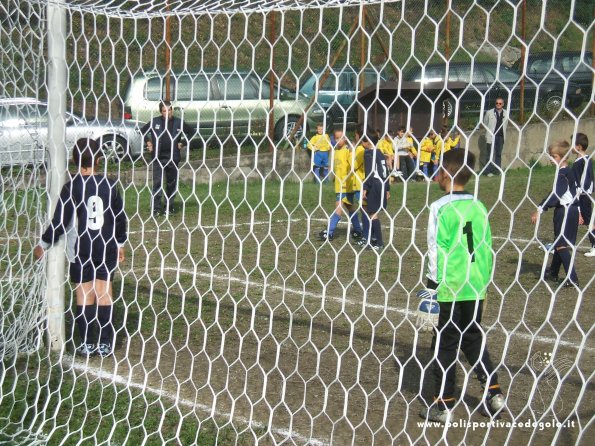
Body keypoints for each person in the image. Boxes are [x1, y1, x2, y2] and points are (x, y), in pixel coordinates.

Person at [419, 149, 505, 424]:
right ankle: (493, 392)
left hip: (450, 287)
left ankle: (442, 405)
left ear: (445, 173)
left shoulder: (440, 207)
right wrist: (482, 281)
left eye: (438, 169)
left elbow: (436, 249)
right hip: (475, 284)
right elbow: (487, 246)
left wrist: (431, 290)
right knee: (472, 338)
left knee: (444, 344)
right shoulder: (478, 206)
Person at [33, 139, 127, 357]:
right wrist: (120, 243)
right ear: (99, 160)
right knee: (104, 291)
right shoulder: (110, 185)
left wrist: (43, 244)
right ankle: (105, 343)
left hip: (80, 249)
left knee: (84, 293)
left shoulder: (71, 186)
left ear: (74, 160)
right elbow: (119, 218)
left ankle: (86, 342)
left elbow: (59, 221)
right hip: (106, 247)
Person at [532, 140, 580, 287]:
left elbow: (555, 195)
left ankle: (572, 279)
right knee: (560, 242)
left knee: (561, 246)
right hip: (572, 210)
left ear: (563, 157)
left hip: (565, 211)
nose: (551, 159)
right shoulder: (569, 171)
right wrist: (578, 210)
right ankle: (553, 272)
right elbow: (576, 192)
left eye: (554, 156)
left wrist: (540, 209)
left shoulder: (562, 174)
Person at [141, 100, 193, 217]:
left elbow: (192, 131)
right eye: (164, 111)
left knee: (171, 183)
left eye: (169, 110)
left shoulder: (178, 122)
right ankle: (156, 209)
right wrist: (149, 143)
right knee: (157, 183)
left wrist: (182, 143)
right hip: (158, 158)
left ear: (172, 110)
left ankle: (168, 207)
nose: (167, 112)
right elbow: (142, 131)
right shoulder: (155, 122)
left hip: (172, 158)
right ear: (161, 112)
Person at [318, 129, 362, 241]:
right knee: (350, 207)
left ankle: (329, 232)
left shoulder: (348, 150)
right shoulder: (336, 151)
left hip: (346, 185)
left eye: (341, 138)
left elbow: (353, 166)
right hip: (339, 185)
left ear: (345, 138)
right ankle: (358, 229)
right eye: (336, 138)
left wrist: (352, 152)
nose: (338, 140)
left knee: (338, 207)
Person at [357, 128, 390, 251]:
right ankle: (374, 239)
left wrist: (365, 187)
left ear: (367, 142)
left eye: (362, 140)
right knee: (373, 212)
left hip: (374, 184)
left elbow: (370, 173)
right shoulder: (380, 152)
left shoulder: (369, 153)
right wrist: (387, 188)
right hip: (382, 183)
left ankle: (379, 242)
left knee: (372, 214)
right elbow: (385, 171)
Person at [571, 133, 595, 257]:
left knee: (589, 221)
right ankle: (562, 243)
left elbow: (587, 180)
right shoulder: (580, 160)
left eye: (572, 144)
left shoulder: (584, 161)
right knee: (572, 218)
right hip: (579, 195)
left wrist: (581, 192)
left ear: (579, 146)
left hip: (583, 196)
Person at [482, 97, 508, 177]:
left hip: (500, 137)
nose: (498, 105)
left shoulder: (506, 113)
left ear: (503, 104)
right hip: (491, 136)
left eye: (500, 103)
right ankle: (487, 171)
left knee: (498, 154)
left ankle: (497, 170)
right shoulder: (489, 112)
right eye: (497, 103)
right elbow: (485, 122)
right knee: (490, 154)